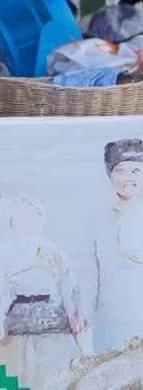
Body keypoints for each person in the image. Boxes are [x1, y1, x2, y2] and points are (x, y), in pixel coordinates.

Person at [0, 196, 84, 390]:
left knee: (56, 377)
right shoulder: (4, 253)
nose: (27, 222)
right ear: (12, 221)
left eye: (32, 216)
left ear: (41, 219)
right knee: (17, 376)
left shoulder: (53, 251)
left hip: (52, 325)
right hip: (17, 326)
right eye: (21, 217)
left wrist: (75, 313)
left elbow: (68, 286)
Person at [81, 138, 143, 354]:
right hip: (110, 321)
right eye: (120, 170)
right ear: (110, 175)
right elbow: (89, 275)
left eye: (136, 170)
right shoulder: (96, 222)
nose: (128, 178)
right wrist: (84, 312)